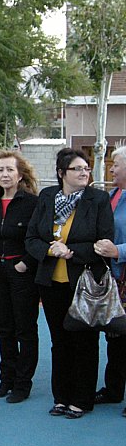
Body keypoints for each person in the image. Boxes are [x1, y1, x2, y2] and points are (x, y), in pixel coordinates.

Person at [26, 147, 113, 419]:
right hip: (52, 283)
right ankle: (61, 397)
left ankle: (82, 399)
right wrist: (51, 251)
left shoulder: (97, 199)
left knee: (84, 342)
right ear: (62, 173)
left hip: (84, 282)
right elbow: (31, 239)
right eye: (77, 169)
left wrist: (72, 251)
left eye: (86, 168)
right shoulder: (47, 197)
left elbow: (103, 241)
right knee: (59, 341)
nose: (84, 173)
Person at [0, 150, 39, 403]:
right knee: (4, 328)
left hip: (21, 272)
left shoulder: (32, 203)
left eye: (9, 170)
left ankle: (23, 384)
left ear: (20, 174)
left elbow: (41, 237)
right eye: (0, 170)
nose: (4, 174)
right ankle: (7, 379)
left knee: (24, 329)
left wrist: (26, 263)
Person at [94, 146, 126, 415]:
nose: (111, 169)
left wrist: (119, 251)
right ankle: (113, 389)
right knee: (115, 335)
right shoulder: (111, 195)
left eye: (115, 164)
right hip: (114, 280)